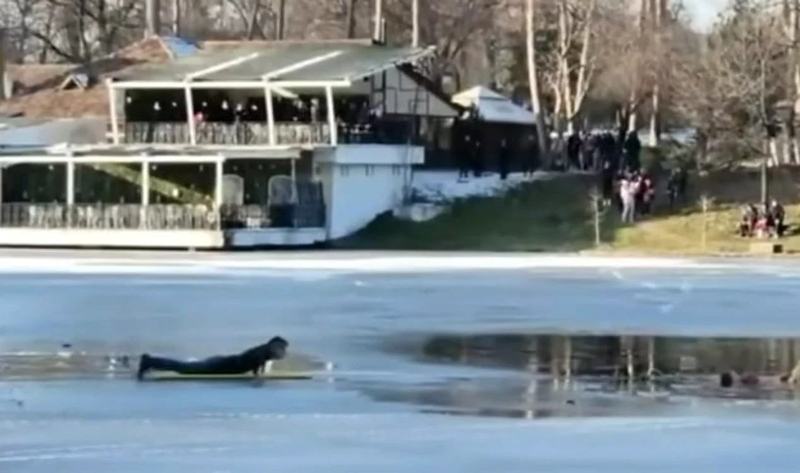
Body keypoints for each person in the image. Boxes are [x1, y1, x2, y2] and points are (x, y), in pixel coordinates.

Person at [136, 336, 288, 380]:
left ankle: (152, 362)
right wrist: (258, 377)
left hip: (222, 363)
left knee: (184, 367)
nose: (282, 352)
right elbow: (256, 362)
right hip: (220, 366)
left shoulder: (264, 351)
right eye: (281, 348)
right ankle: (149, 361)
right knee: (184, 368)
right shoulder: (261, 352)